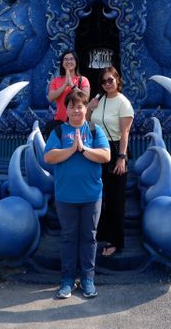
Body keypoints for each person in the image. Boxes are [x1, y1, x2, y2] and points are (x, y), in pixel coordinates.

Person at [44, 89, 110, 299]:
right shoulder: (58, 132)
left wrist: (83, 149)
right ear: (67, 109)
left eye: (79, 106)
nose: (75, 110)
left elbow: (106, 155)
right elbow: (49, 157)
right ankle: (67, 280)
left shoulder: (93, 129)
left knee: (89, 237)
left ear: (85, 108)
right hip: (66, 196)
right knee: (68, 238)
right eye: (71, 106)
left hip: (91, 195)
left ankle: (88, 279)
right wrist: (71, 149)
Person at [87, 66, 134, 257]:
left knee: (115, 197)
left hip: (115, 150)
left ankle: (116, 240)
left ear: (117, 80)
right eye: (104, 81)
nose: (107, 84)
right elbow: (88, 121)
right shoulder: (101, 100)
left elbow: (125, 133)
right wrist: (90, 107)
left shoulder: (123, 103)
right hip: (98, 147)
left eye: (110, 80)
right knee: (100, 193)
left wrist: (122, 158)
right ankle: (103, 232)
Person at [47, 50, 90, 125]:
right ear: (62, 63)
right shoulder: (56, 80)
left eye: (71, 59)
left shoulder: (83, 80)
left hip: (78, 122)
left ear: (76, 63)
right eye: (66, 59)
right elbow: (50, 98)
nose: (68, 61)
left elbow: (86, 97)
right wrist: (64, 85)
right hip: (60, 122)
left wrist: (72, 85)